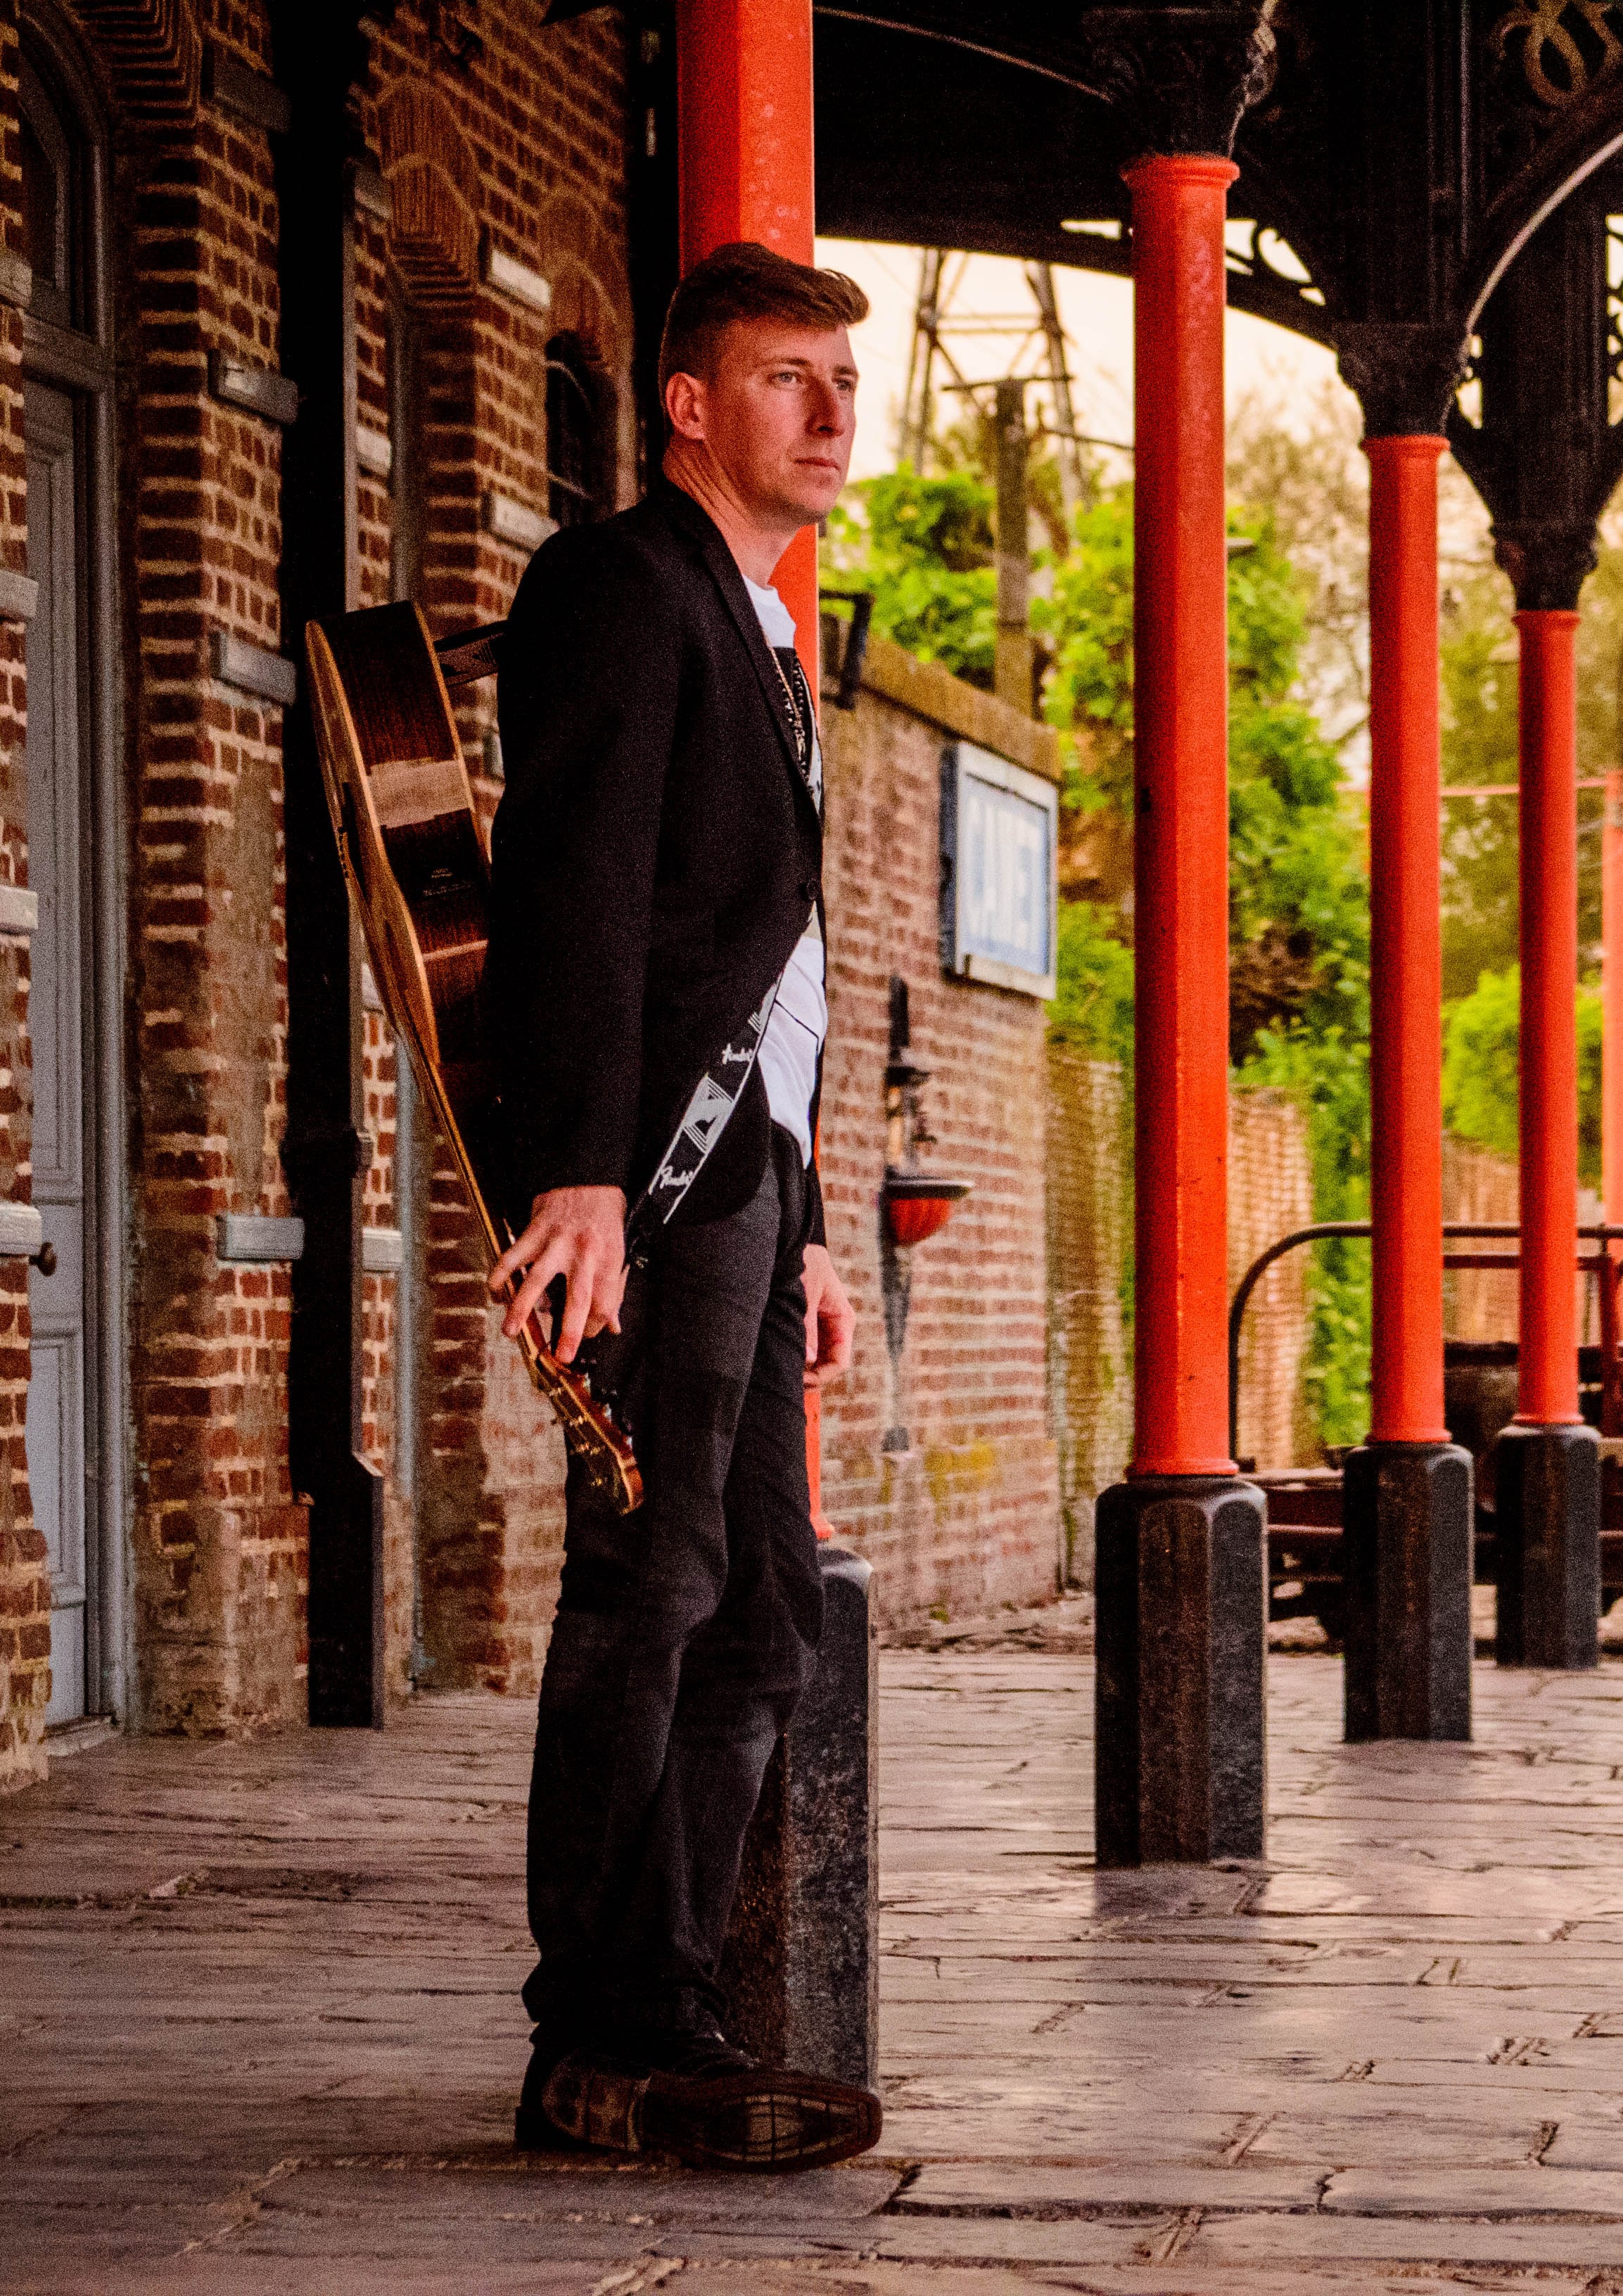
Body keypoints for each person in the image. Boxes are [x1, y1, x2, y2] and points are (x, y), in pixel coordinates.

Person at [481, 241, 874, 2171]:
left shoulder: (764, 619)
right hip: (647, 1173)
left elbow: (769, 957)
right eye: (789, 377)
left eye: (843, 382)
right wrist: (580, 1176)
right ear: (691, 404)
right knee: (652, 1584)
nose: (831, 413)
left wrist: (804, 1222)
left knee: (764, 1614)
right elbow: (583, 891)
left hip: (746, 1181)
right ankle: (600, 2032)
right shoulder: (621, 587)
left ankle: (672, 2006)